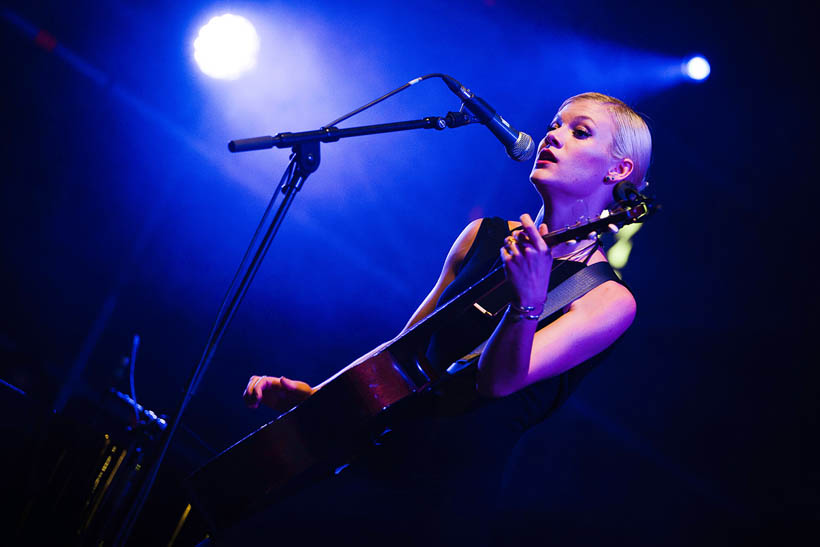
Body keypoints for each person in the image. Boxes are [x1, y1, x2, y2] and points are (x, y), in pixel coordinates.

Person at [235, 92, 652, 545]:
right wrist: (319, 397)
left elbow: (497, 382)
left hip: (438, 503)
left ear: (619, 170)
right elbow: (400, 353)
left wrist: (527, 302)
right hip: (370, 459)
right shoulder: (482, 236)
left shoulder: (606, 297)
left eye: (580, 131)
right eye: (555, 124)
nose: (553, 135)